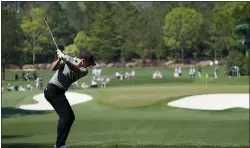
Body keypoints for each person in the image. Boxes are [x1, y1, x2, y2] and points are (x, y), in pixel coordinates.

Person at [44, 49, 96, 148]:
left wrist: (65, 60)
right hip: (52, 90)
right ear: (83, 60)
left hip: (59, 92)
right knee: (65, 116)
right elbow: (53, 68)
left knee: (70, 117)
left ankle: (60, 144)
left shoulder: (84, 71)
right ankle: (59, 145)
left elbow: (75, 69)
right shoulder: (67, 58)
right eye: (89, 63)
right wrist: (59, 59)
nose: (90, 66)